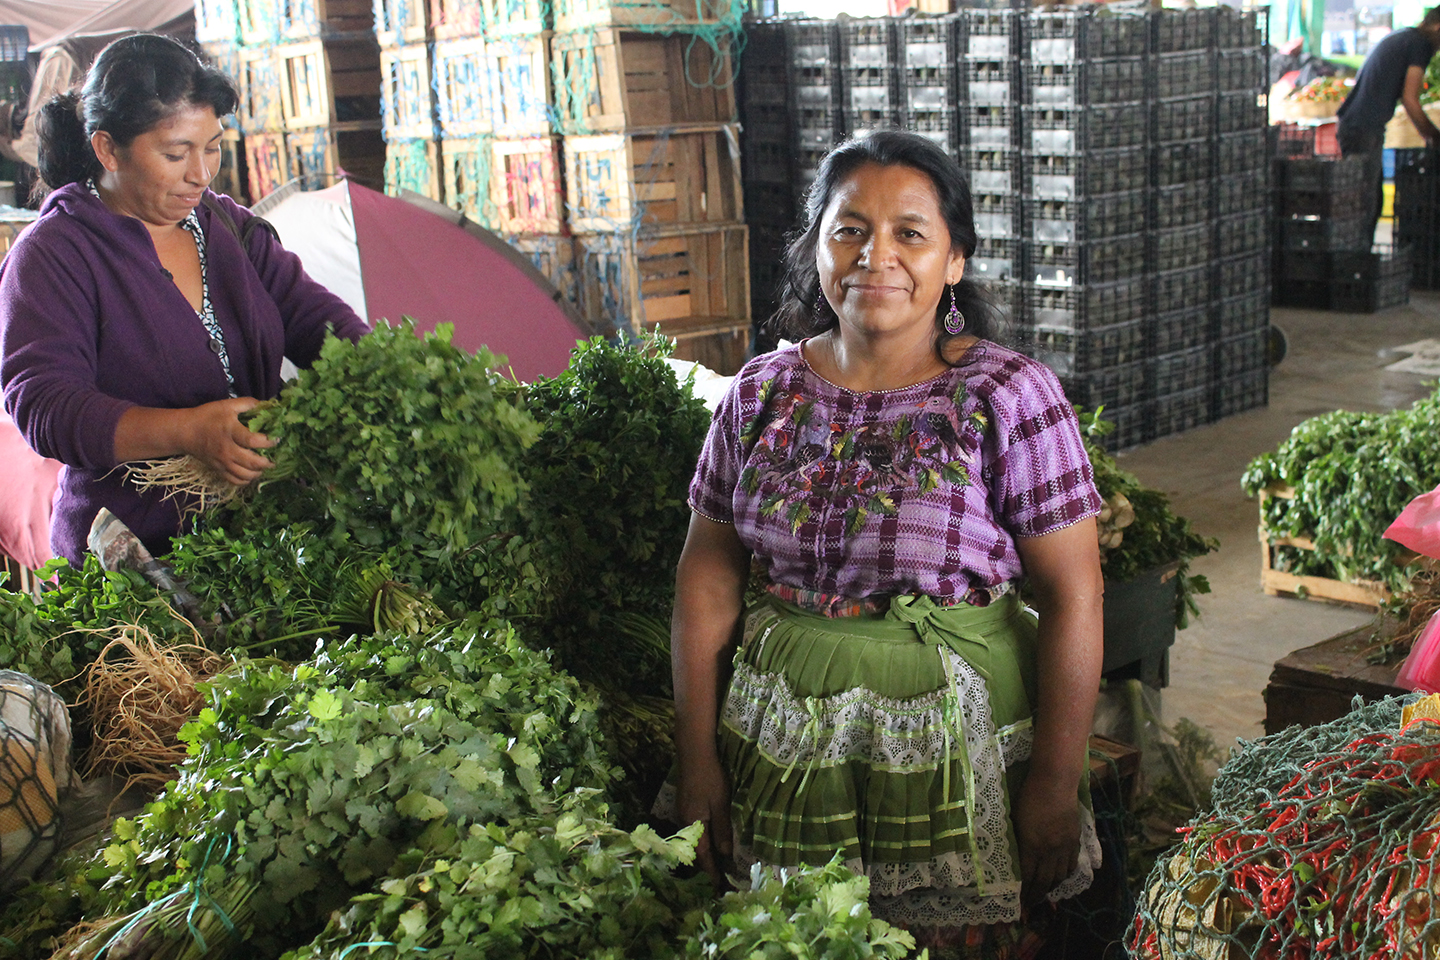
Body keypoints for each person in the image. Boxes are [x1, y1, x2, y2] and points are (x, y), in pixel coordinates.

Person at [669, 130, 1104, 954]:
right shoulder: (761, 392)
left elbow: (1075, 595)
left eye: (910, 232)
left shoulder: (1007, 395)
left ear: (955, 260)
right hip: (783, 744)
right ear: (817, 249)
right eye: (849, 230)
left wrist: (1053, 782)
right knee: (794, 938)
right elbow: (707, 582)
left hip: (952, 748)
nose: (877, 256)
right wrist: (697, 761)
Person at [0, 34, 369, 565]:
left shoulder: (226, 227)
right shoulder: (55, 254)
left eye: (212, 146)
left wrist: (383, 370)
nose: (201, 173)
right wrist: (189, 431)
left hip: (260, 545)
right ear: (107, 149)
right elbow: (48, 407)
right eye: (176, 153)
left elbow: (314, 318)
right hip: (133, 561)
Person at [1336, 7, 1440, 243]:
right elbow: (1410, 99)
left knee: (1369, 199)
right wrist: (1433, 136)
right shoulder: (1420, 45)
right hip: (1362, 128)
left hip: (1355, 125)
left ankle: (1360, 262)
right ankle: (1356, 265)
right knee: (1366, 203)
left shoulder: (1403, 37)